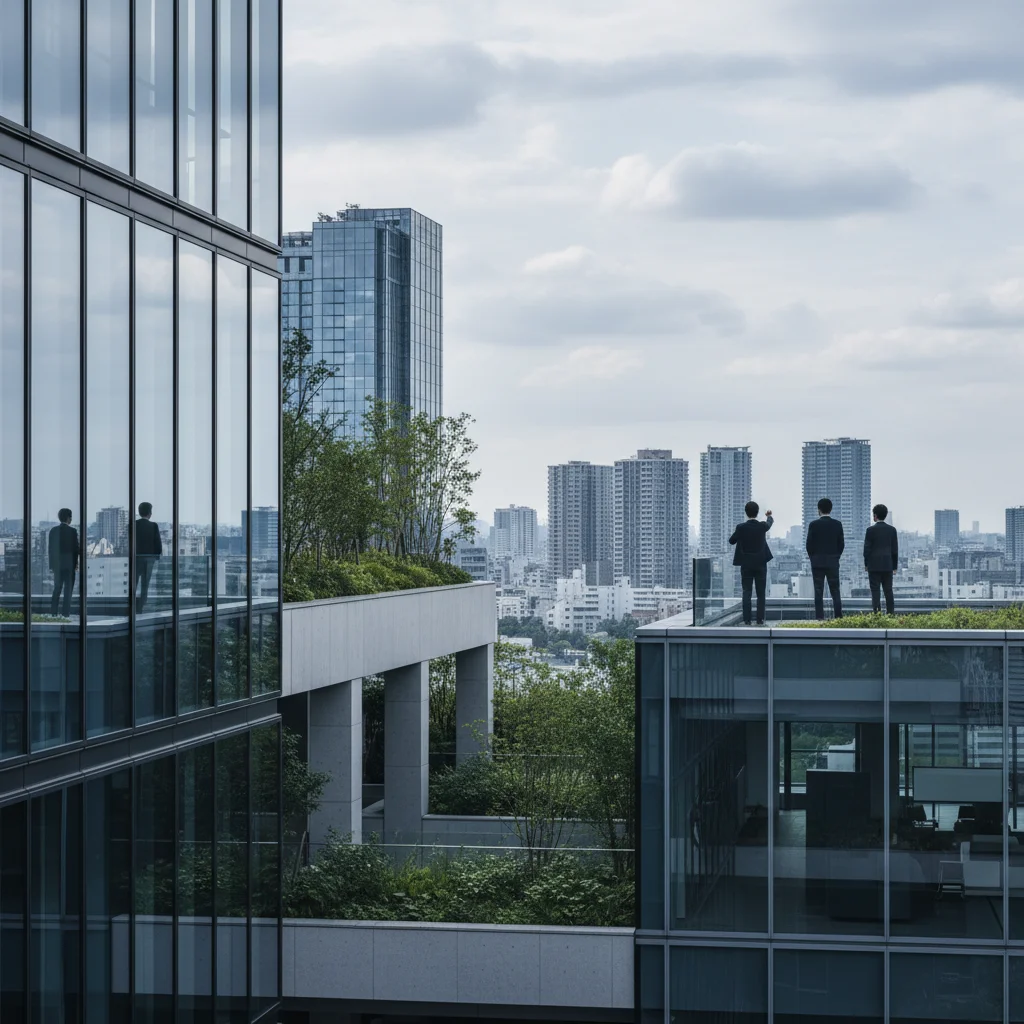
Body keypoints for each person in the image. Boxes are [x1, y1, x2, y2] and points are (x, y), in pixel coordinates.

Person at [729, 501, 774, 626]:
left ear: (746, 512)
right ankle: (760, 620)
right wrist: (769, 515)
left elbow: (731, 541)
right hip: (760, 564)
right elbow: (769, 523)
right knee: (761, 593)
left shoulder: (741, 527)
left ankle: (747, 620)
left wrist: (739, 534)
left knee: (746, 592)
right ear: (757, 512)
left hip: (746, 565)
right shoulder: (762, 526)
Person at [806, 497, 844, 620]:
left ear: (819, 510)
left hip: (817, 563)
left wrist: (813, 558)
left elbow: (809, 545)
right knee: (835, 591)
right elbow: (841, 544)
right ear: (831, 509)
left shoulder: (813, 525)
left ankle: (819, 618)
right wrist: (836, 557)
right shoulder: (837, 524)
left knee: (818, 591)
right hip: (833, 562)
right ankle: (838, 617)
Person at [864, 503, 899, 614]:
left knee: (875, 592)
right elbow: (894, 550)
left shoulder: (870, 530)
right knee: (888, 591)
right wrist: (894, 566)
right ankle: (890, 614)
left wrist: (866, 564)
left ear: (875, 515)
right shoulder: (892, 530)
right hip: (888, 565)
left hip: (873, 566)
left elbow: (867, 550)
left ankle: (877, 615)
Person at [48, 508, 79, 617]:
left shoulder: (53, 531)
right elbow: (76, 550)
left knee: (57, 588)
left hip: (57, 565)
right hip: (69, 565)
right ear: (68, 518)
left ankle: (53, 613)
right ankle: (65, 613)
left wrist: (51, 565)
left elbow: (50, 550)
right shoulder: (73, 531)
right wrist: (76, 564)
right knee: (68, 590)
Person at [135, 501, 163, 612]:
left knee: (134, 583)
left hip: (135, 559)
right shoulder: (153, 526)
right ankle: (141, 606)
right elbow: (158, 544)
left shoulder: (133, 525)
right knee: (145, 584)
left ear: (139, 511)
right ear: (149, 513)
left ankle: (132, 606)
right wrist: (157, 556)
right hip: (149, 560)